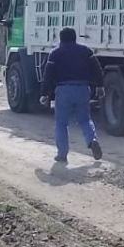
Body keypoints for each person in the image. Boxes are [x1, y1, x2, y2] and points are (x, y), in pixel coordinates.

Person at [39, 27, 105, 163]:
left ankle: (62, 154)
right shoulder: (86, 50)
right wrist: (100, 86)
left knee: (61, 124)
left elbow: (48, 75)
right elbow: (97, 68)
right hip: (83, 88)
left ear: (61, 38)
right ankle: (92, 140)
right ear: (75, 37)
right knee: (85, 120)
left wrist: (44, 94)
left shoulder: (55, 53)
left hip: (64, 90)